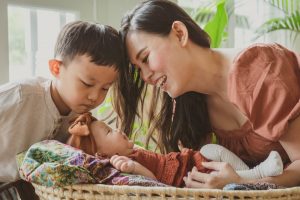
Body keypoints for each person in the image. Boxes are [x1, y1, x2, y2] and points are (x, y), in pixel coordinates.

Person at [114, 0, 300, 188]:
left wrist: (243, 183)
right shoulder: (192, 103)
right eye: (139, 70)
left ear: (179, 33)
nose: (145, 77)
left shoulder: (257, 70)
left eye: (145, 58)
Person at [0, 20, 122, 192]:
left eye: (105, 88)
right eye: (87, 83)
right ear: (56, 68)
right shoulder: (20, 95)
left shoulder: (81, 117)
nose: (95, 97)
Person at [67, 113, 283, 187]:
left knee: (211, 149)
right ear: (103, 156)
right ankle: (259, 174)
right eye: (108, 132)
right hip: (184, 177)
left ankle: (251, 176)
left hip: (186, 162)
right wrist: (133, 167)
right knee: (215, 173)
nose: (117, 130)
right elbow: (152, 183)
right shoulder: (124, 167)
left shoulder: (132, 152)